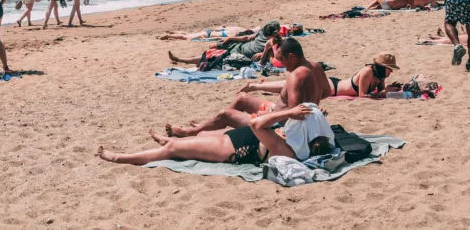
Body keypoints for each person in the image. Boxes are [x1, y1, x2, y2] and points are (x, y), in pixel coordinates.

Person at [165, 37, 331, 137]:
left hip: (276, 125)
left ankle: (191, 132)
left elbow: (294, 115)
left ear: (291, 56)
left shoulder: (296, 75)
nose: (281, 65)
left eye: (282, 60)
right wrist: (314, 105)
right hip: (277, 113)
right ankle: (208, 125)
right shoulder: (315, 66)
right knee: (242, 99)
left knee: (225, 114)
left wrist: (266, 115)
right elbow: (326, 92)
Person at [97, 103, 331, 167]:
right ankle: (169, 139)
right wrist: (318, 116)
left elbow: (258, 125)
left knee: (172, 151)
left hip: (232, 150)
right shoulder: (304, 140)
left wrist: (289, 111)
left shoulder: (290, 150)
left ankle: (119, 157)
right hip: (238, 138)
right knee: (196, 140)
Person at [241, 51, 398, 99]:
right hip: (332, 87)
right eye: (389, 69)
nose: (390, 72)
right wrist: (383, 94)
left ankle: (258, 85)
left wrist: (385, 91)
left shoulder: (380, 76)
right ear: (382, 66)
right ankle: (255, 85)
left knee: (294, 86)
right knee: (294, 85)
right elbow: (363, 96)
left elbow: (377, 93)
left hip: (334, 87)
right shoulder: (368, 72)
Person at [167, 21, 281, 66]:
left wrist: (261, 55)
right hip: (239, 46)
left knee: (210, 55)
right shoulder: (261, 32)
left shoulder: (275, 43)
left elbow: (273, 56)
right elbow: (246, 37)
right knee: (212, 46)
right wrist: (231, 38)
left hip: (241, 54)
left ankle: (182, 59)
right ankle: (190, 59)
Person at [157, 26, 253, 41]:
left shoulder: (236, 29)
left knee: (189, 33)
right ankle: (168, 35)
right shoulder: (234, 35)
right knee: (186, 37)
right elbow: (218, 39)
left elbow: (222, 28)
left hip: (211, 31)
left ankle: (174, 32)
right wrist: (206, 40)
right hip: (208, 35)